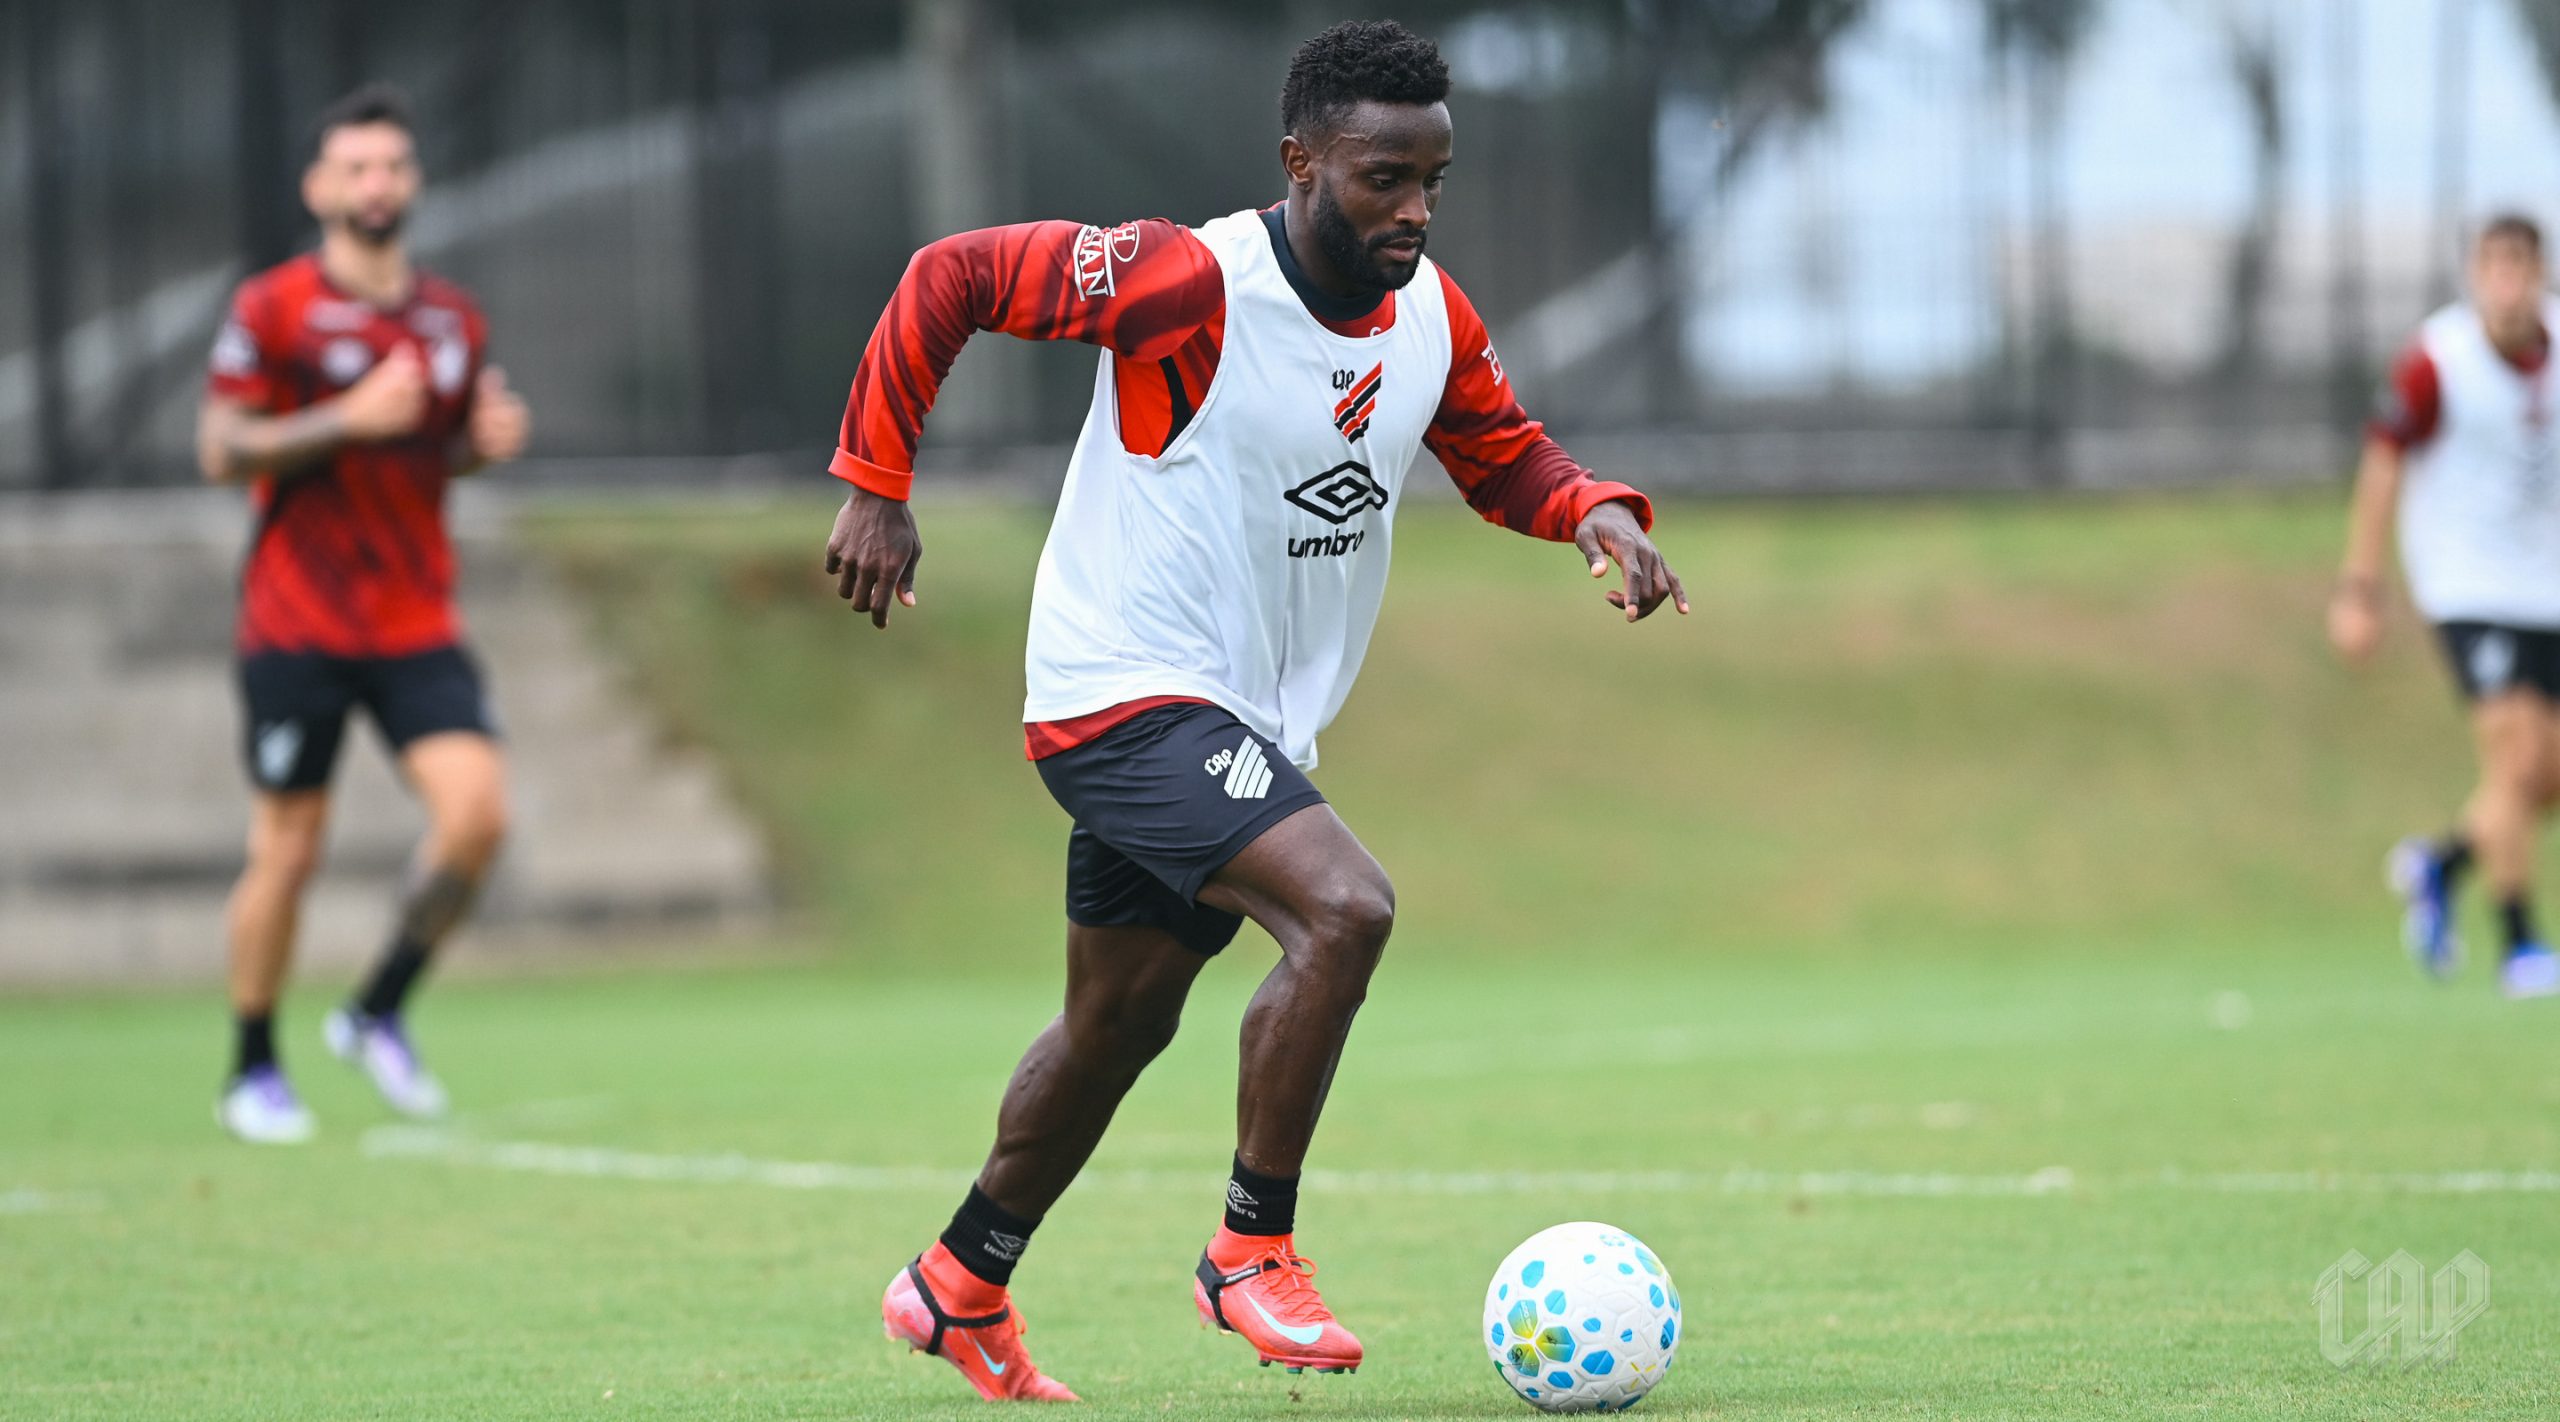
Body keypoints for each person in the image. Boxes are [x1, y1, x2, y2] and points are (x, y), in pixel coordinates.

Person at [819, 21, 1686, 1400]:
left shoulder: (1430, 316)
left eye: (1432, 182)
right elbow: (952, 276)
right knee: (1346, 909)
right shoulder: (1185, 283)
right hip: (1122, 693)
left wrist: (1595, 510)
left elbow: (1499, 452)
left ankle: (958, 1281)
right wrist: (877, 481)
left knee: (1117, 1024)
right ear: (1300, 163)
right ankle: (1250, 1250)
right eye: (1383, 179)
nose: (1414, 210)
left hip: (1239, 722)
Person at [197, 83, 532, 1142]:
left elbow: (440, 451)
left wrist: (480, 443)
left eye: (391, 165)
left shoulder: (450, 320)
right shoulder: (273, 308)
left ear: (413, 181)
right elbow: (221, 448)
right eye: (355, 167)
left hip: (413, 619)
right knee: (288, 849)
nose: (375, 183)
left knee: (478, 816)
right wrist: (345, 417)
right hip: (296, 623)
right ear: (319, 187)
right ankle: (252, 1067)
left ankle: (376, 1008)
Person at [2331, 212, 2560, 1000]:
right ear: (2474, 275)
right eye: (2492, 266)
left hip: (2548, 589)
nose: (2506, 282)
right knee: (2513, 758)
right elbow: (2382, 460)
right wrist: (2361, 587)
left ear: (2540, 275)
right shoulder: (2438, 359)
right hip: (2467, 585)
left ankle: (2442, 864)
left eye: (2519, 266)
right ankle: (2520, 944)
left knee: (2544, 779)